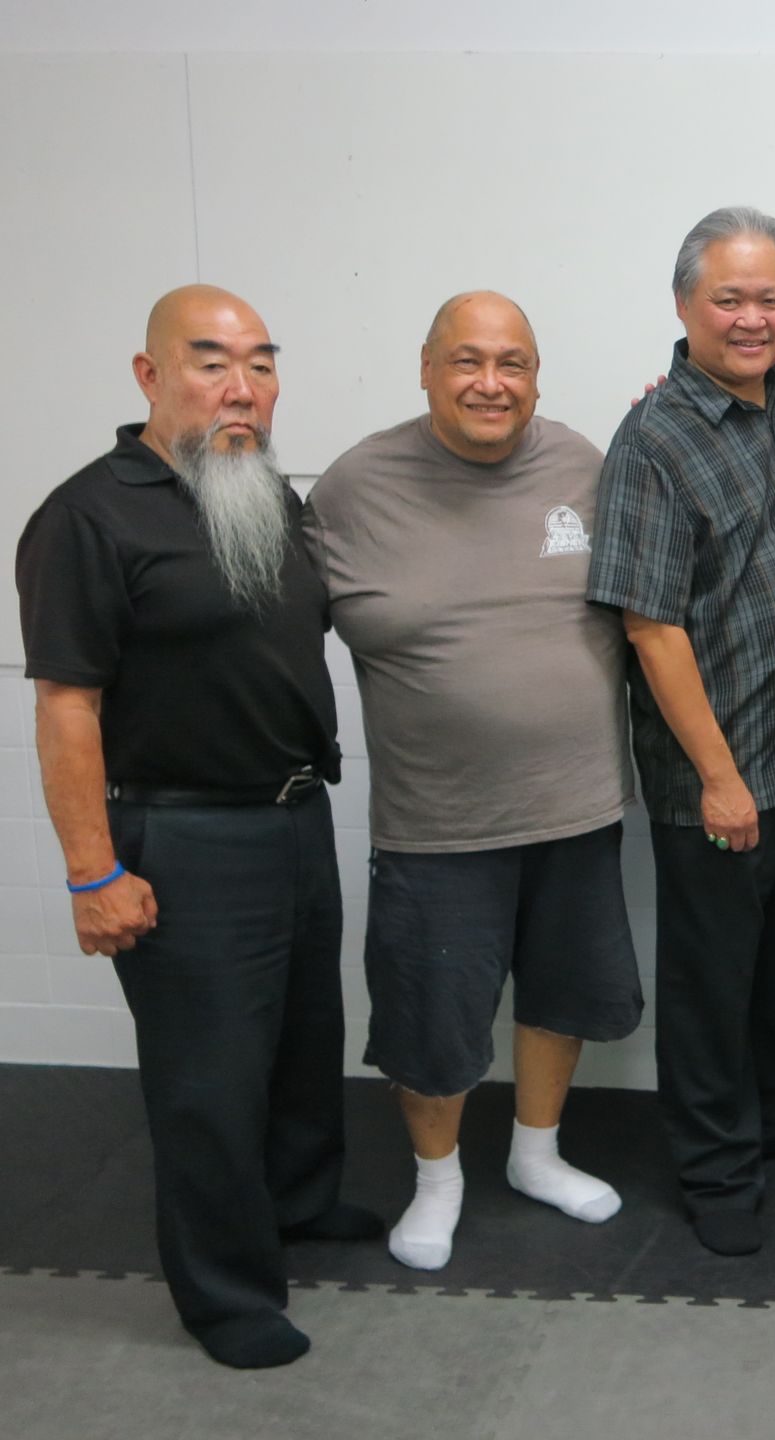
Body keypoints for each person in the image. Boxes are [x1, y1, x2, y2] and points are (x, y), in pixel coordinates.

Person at [16, 285, 380, 1369]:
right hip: (181, 837)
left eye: (261, 365)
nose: (243, 387)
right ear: (148, 375)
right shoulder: (88, 517)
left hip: (291, 817)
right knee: (208, 1079)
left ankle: (300, 1203)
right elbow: (66, 707)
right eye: (212, 362)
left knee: (304, 1044)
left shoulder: (260, 492)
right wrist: (92, 874)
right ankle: (224, 1294)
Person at [304, 291, 644, 1273]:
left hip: (578, 810)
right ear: (425, 367)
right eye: (467, 361)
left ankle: (538, 1154)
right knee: (433, 1025)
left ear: (537, 374)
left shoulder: (587, 465)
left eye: (513, 363)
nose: (491, 383)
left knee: (562, 997)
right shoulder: (355, 486)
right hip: (436, 826)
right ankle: (438, 1178)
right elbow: (275, 630)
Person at [588, 207, 775, 1257]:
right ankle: (714, 1168)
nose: (753, 318)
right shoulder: (655, 440)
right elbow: (650, 627)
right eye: (730, 298)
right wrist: (717, 777)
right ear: (685, 305)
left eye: (771, 297)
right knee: (711, 986)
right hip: (723, 776)